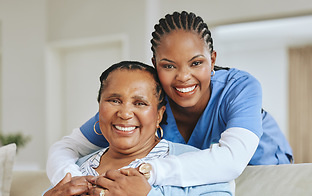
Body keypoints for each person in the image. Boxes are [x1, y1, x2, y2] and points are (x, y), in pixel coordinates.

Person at [47, 11, 292, 187]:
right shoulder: (144, 104)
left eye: (196, 63)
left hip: (263, 170)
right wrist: (70, 178)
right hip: (203, 182)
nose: (183, 77)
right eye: (169, 66)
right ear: (155, 65)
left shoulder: (240, 88)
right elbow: (66, 147)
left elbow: (231, 160)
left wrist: (146, 172)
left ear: (213, 60)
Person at [20, 61, 239, 196]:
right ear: (100, 109)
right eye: (114, 100)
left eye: (140, 103)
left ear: (159, 115)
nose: (125, 113)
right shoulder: (73, 169)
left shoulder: (198, 165)